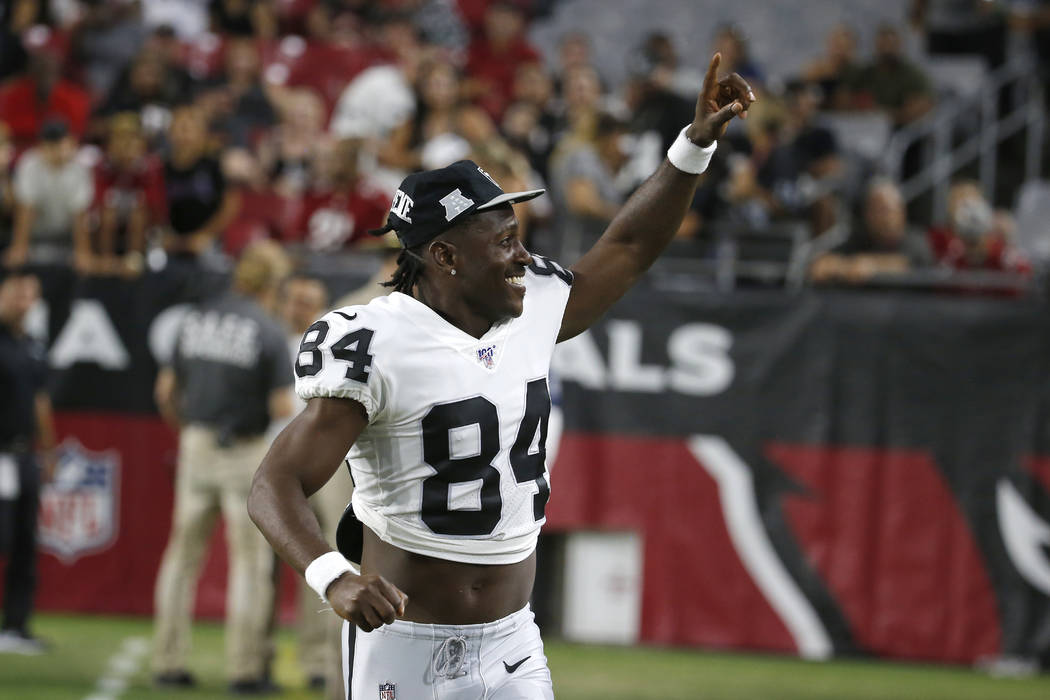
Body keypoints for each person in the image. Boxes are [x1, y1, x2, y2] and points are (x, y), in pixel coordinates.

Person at [248, 52, 752, 698]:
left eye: (518, 236)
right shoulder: (377, 341)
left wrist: (695, 145)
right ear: (445, 255)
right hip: (403, 645)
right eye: (503, 241)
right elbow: (274, 482)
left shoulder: (534, 305)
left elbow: (627, 247)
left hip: (513, 639)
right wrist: (333, 577)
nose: (522, 255)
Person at [151, 240, 294, 694]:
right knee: (249, 566)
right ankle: (244, 669)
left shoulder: (196, 319)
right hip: (244, 449)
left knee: (181, 557)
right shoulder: (267, 331)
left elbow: (165, 391)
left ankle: (167, 661)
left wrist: (190, 429)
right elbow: (280, 405)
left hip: (196, 442)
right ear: (271, 284)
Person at [0, 268, 55, 655]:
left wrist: (48, 450)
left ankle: (16, 627)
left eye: (31, 294)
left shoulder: (33, 344)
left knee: (23, 542)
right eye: (18, 292)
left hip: (23, 456)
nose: (25, 301)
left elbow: (40, 402)